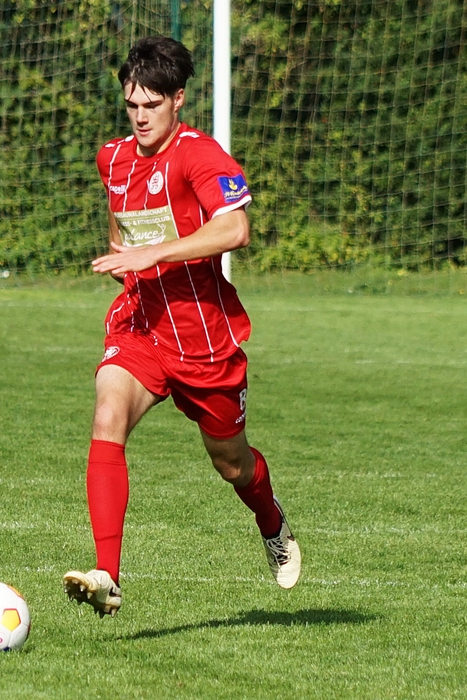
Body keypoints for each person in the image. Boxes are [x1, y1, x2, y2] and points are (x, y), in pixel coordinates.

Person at [62, 36, 301, 617]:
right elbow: (122, 230)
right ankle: (107, 575)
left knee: (231, 463)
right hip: (141, 327)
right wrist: (128, 259)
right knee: (107, 415)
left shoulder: (199, 155)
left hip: (203, 341)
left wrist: (157, 253)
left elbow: (235, 229)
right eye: (132, 105)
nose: (140, 117)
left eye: (152, 104)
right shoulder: (112, 159)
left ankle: (271, 520)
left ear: (178, 100)